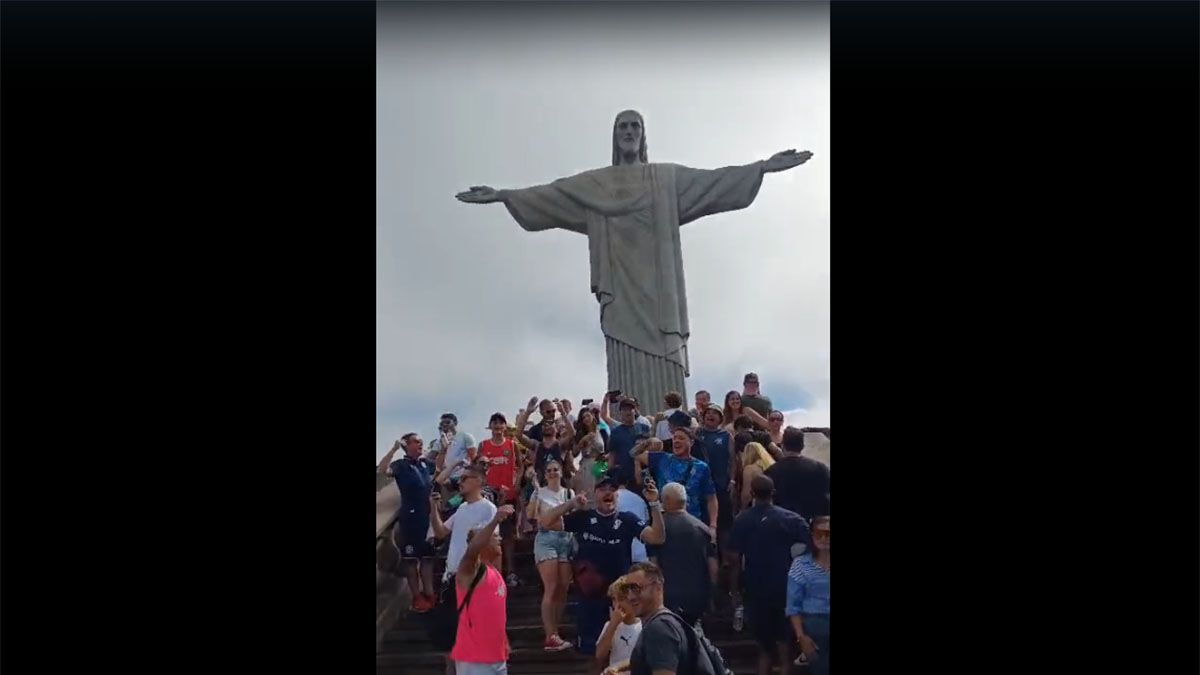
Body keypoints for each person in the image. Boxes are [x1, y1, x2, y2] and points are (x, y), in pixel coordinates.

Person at [539, 473, 665, 656]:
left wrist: (654, 504)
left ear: (617, 495)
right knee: (591, 652)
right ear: (595, 494)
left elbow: (657, 537)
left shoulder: (627, 519)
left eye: (612, 489)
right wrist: (570, 504)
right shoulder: (584, 517)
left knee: (623, 651)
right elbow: (545, 522)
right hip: (590, 596)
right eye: (603, 489)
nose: (608, 493)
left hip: (620, 597)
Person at [727, 475, 812, 675]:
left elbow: (733, 559)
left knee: (763, 648)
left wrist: (734, 590)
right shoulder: (791, 519)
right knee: (784, 643)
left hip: (755, 585)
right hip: (785, 584)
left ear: (753, 493)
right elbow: (812, 545)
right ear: (773, 493)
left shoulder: (742, 520)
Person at [449, 503, 516, 675]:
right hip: (474, 659)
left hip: (498, 657)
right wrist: (495, 520)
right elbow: (473, 550)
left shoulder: (495, 573)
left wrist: (504, 642)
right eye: (494, 536)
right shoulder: (469, 571)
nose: (499, 539)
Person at [379, 434, 438, 612]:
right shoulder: (400, 465)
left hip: (427, 516)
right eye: (415, 442)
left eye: (421, 441)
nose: (420, 444)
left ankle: (430, 593)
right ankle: (417, 596)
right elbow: (382, 470)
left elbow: (438, 471)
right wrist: (394, 449)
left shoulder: (425, 463)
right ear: (407, 445)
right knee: (411, 560)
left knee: (427, 559)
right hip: (410, 517)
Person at [648, 482, 716, 629]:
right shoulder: (703, 529)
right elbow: (713, 567)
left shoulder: (657, 530)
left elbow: (653, 564)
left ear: (665, 500)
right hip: (698, 595)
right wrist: (712, 593)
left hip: (668, 595)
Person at [526, 459, 576, 652]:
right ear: (544, 474)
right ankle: (550, 635)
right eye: (549, 470)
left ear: (561, 472)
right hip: (546, 539)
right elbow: (531, 515)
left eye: (556, 470)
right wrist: (535, 496)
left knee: (563, 587)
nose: (553, 473)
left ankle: (555, 631)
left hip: (566, 539)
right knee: (551, 587)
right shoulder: (539, 492)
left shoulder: (568, 493)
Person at [637, 427, 718, 539]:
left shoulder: (702, 467)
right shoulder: (662, 459)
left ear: (691, 442)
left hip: (692, 523)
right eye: (674, 438)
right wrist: (648, 442)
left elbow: (711, 498)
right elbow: (633, 453)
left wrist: (713, 526)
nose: (676, 441)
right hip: (664, 524)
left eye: (681, 438)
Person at [430, 465, 498, 584]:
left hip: (473, 578)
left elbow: (493, 546)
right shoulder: (461, 508)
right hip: (452, 576)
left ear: (478, 481)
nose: (460, 482)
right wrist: (433, 507)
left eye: (464, 478)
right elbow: (440, 533)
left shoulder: (489, 508)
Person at [623, 562, 694, 675]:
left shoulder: (659, 629)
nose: (630, 597)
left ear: (658, 588)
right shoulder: (664, 624)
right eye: (627, 590)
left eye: (636, 588)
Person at [478, 413, 521, 587]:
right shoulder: (483, 445)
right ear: (490, 426)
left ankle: (510, 572)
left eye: (500, 422)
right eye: (494, 422)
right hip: (488, 497)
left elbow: (521, 466)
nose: (497, 425)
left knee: (508, 536)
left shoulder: (511, 445)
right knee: (489, 535)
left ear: (505, 426)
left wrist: (516, 484)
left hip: (508, 496)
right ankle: (491, 573)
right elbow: (478, 467)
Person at [788, 516, 830, 675]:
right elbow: (793, 605)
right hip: (814, 626)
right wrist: (801, 637)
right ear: (812, 536)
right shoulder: (800, 564)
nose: (825, 539)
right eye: (820, 534)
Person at [764, 427, 831, 520]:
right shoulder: (821, 468)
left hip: (782, 524)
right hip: (813, 525)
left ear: (783, 446)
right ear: (802, 446)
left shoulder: (771, 472)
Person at [693, 406, 736, 547]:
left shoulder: (726, 436)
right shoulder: (697, 434)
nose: (710, 415)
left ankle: (725, 557)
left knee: (724, 522)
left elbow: (733, 460)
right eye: (708, 413)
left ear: (720, 418)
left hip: (721, 483)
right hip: (701, 484)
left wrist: (732, 480)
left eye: (714, 413)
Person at [602, 394, 658, 486]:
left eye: (630, 409)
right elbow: (612, 456)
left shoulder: (644, 428)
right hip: (624, 477)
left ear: (635, 411)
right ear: (620, 412)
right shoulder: (616, 432)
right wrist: (606, 473)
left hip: (644, 474)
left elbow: (652, 451)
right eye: (624, 409)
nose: (628, 412)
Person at [515, 397, 574, 483]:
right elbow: (519, 435)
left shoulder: (560, 441)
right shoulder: (536, 442)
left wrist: (563, 414)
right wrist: (527, 413)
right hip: (540, 482)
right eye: (548, 412)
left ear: (556, 429)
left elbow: (572, 434)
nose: (552, 414)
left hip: (559, 481)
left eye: (553, 411)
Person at [595, 576, 642, 675]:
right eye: (614, 600)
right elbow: (600, 655)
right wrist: (613, 625)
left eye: (621, 599)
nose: (617, 605)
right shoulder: (609, 625)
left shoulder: (644, 626)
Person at [572, 408, 608, 506]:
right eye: (583, 418)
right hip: (588, 464)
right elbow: (574, 453)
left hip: (601, 463)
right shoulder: (581, 434)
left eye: (588, 415)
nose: (586, 419)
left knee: (602, 491)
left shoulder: (602, 431)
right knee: (589, 494)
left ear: (592, 416)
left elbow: (607, 449)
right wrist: (582, 441)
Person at [615, 473, 650, 564]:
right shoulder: (639, 499)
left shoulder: (610, 500)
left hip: (621, 554)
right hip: (641, 552)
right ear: (626, 482)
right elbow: (647, 522)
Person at [434, 413, 478, 482]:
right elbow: (432, 461)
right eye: (442, 423)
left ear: (455, 423)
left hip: (461, 476)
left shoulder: (465, 436)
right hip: (445, 477)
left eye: (448, 422)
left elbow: (474, 459)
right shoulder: (438, 442)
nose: (445, 425)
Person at [738, 442, 776, 510]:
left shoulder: (749, 469)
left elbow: (746, 494)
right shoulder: (772, 465)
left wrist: (742, 509)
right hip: (772, 504)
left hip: (756, 505)